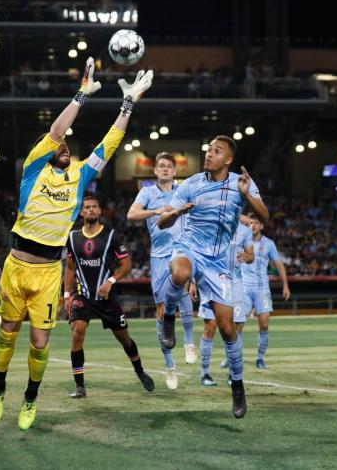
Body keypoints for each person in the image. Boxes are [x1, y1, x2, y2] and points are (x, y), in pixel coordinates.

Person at [0, 56, 153, 430]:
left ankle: (29, 400)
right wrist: (81, 95)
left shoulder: (78, 177)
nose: (64, 146)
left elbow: (109, 145)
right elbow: (57, 128)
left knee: (40, 343)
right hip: (16, 267)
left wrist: (128, 104)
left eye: (67, 146)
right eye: (59, 145)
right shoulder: (34, 168)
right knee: (7, 334)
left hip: (47, 273)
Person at [157, 135, 269, 418]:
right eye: (208, 150)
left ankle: (238, 385)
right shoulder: (192, 184)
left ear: (228, 160)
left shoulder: (240, 183)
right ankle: (168, 316)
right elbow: (162, 221)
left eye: (216, 152)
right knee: (180, 272)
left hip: (219, 261)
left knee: (227, 328)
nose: (209, 155)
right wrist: (177, 212)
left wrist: (247, 195)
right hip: (190, 248)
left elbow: (264, 216)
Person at [64, 196, 154, 399]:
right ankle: (80, 387)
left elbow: (126, 264)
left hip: (106, 296)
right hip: (82, 295)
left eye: (95, 206)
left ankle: (140, 371)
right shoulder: (72, 237)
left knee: (124, 338)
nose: (91, 210)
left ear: (100, 211)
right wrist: (66, 294)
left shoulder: (112, 236)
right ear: (81, 212)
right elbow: (69, 268)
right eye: (87, 207)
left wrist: (111, 281)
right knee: (77, 332)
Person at [127, 152, 196, 390]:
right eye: (161, 166)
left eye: (169, 166)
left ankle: (189, 343)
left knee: (184, 292)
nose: (165, 169)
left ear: (175, 171)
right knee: (161, 311)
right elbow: (131, 214)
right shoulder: (147, 193)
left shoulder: (184, 190)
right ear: (155, 171)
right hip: (158, 255)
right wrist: (155, 211)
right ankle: (169, 367)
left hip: (181, 251)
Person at [198, 214, 254, 386]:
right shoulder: (213, 224)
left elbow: (251, 256)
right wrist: (193, 281)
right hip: (213, 279)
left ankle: (233, 375)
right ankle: (205, 374)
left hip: (235, 281)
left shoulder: (245, 231)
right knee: (210, 326)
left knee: (235, 329)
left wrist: (247, 256)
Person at [240, 214, 291, 369]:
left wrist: (285, 285)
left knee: (264, 324)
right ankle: (233, 357)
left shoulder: (269, 244)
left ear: (261, 226)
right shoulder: (241, 241)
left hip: (262, 289)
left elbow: (278, 264)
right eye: (251, 223)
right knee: (237, 325)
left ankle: (260, 358)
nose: (253, 226)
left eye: (257, 223)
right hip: (243, 288)